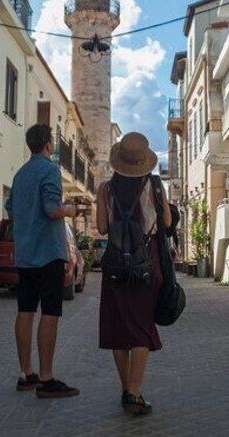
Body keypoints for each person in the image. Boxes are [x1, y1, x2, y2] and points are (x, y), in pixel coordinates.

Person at [96, 132, 172, 415]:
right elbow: (165, 222)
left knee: (118, 328)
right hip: (145, 260)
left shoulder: (105, 189)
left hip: (115, 262)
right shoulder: (154, 185)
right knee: (141, 326)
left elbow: (102, 228)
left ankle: (126, 388)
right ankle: (135, 393)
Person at [5, 124, 79, 398]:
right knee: (50, 313)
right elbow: (51, 209)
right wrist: (69, 209)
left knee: (25, 311)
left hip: (25, 255)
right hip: (48, 254)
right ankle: (47, 379)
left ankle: (26, 374)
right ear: (48, 144)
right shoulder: (49, 170)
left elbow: (11, 209)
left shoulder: (20, 174)